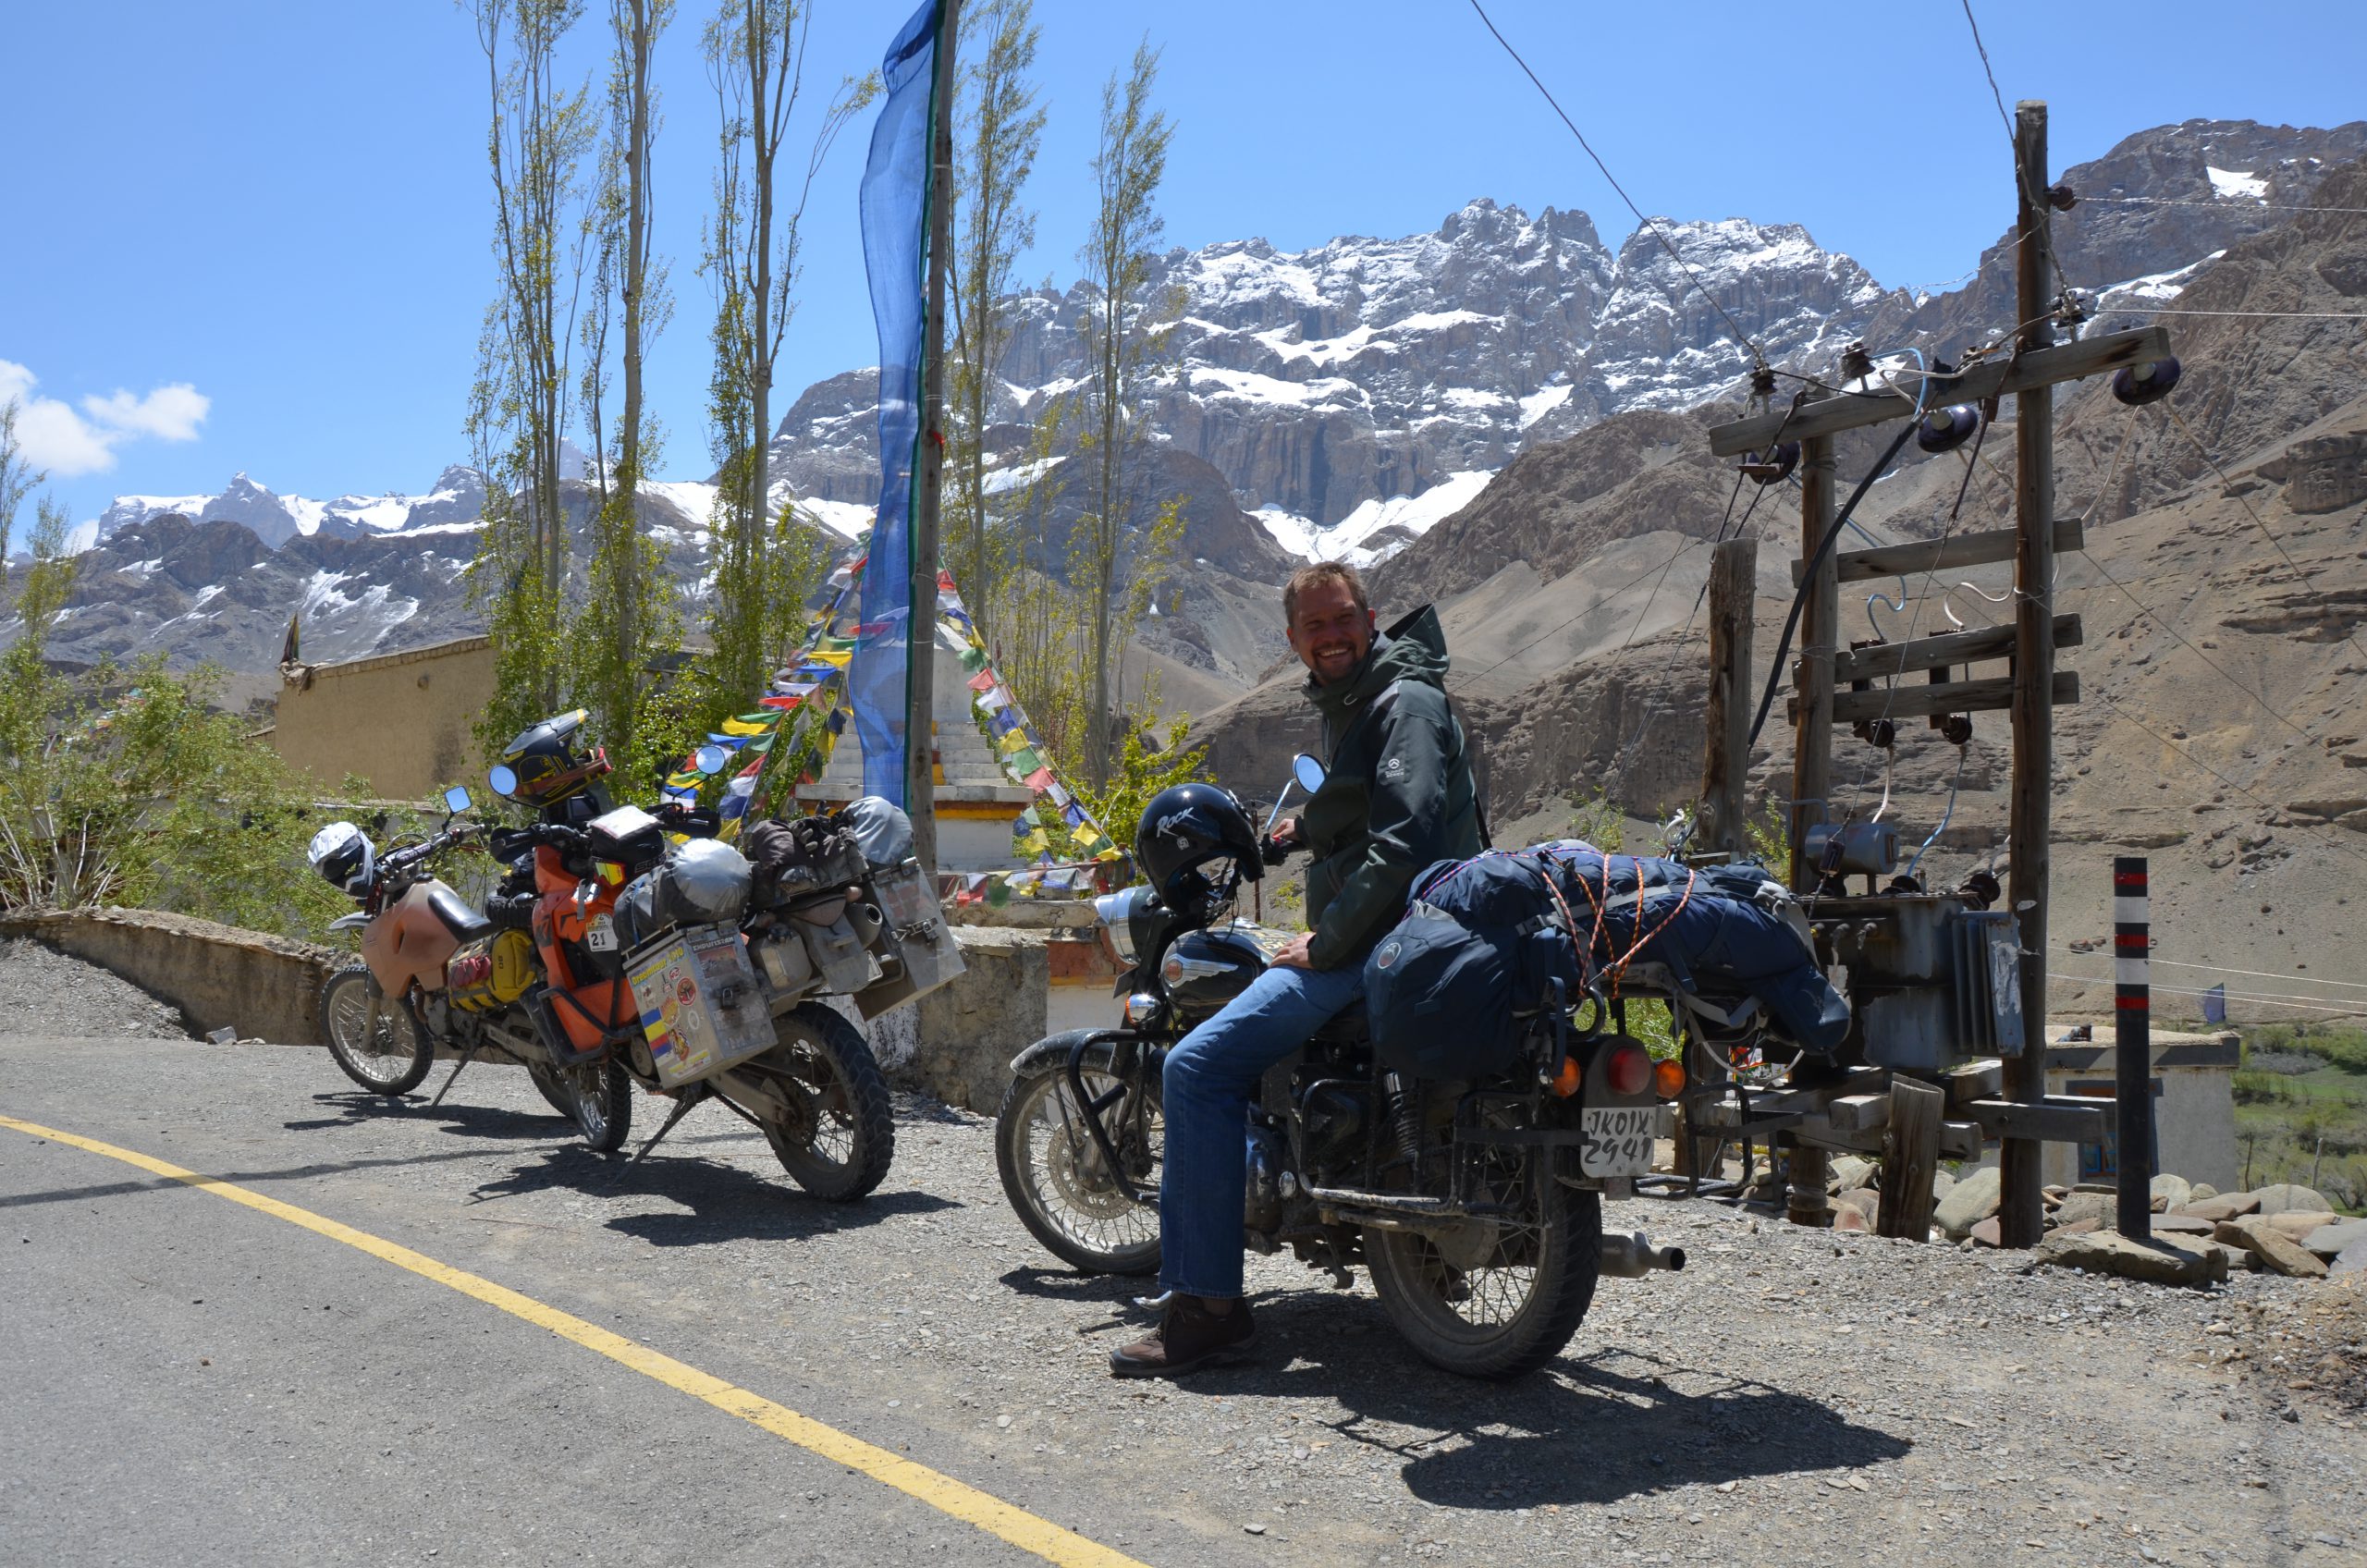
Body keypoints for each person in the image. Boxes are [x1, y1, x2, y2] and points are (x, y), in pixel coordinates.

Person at [1110, 560, 1483, 1378]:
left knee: (1197, 1067)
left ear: (1370, 616)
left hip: (1389, 940)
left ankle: (1208, 1311)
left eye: (1341, 618)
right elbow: (1368, 806)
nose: (1331, 635)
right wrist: (1291, 836)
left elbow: (1409, 834)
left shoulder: (1403, 702)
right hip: (1411, 934)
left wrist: (1330, 937)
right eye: (1314, 627)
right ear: (1293, 641)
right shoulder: (1364, 703)